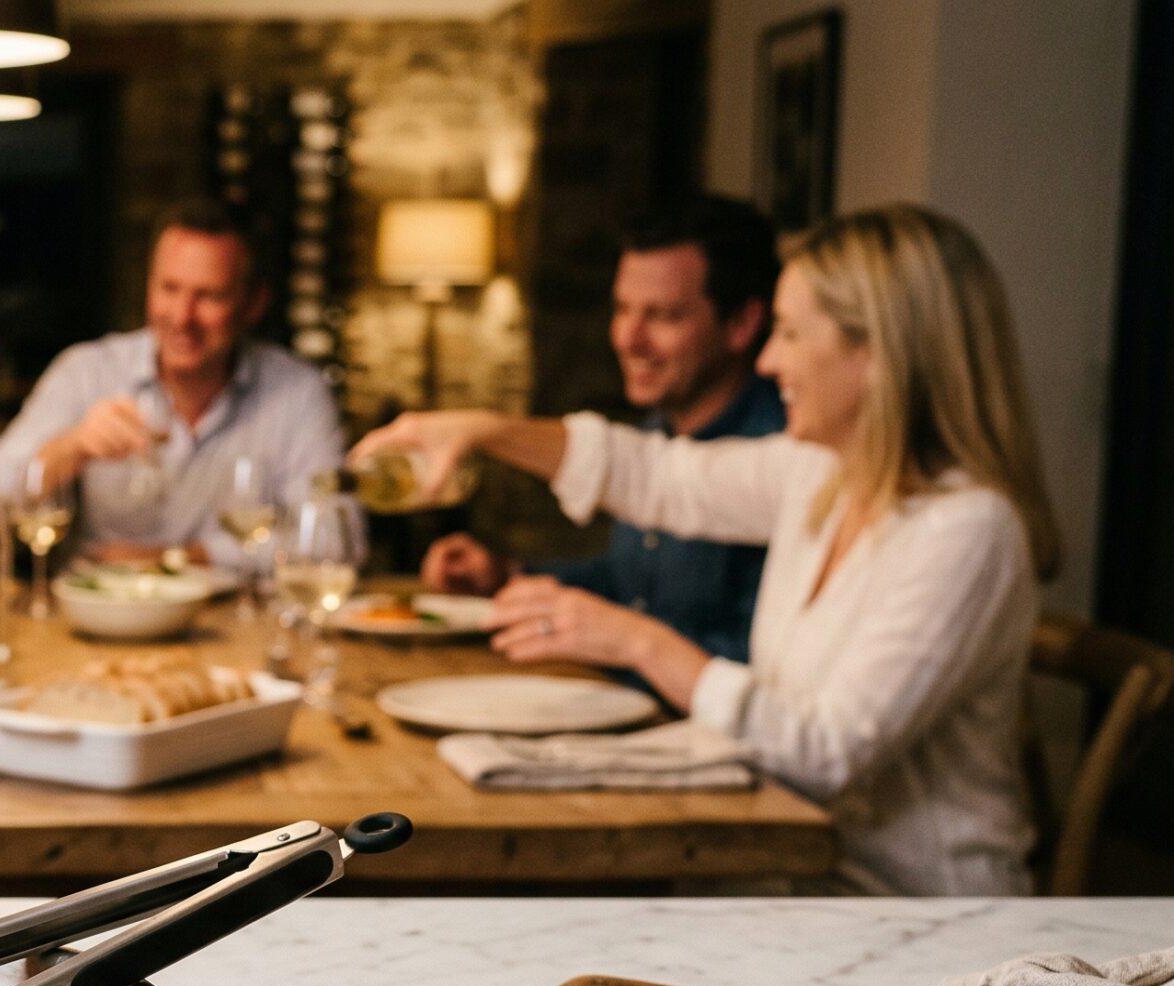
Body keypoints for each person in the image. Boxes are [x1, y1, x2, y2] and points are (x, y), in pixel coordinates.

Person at [353, 205, 1060, 896]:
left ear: (876, 354)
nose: (770, 356)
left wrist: (636, 641)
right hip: (777, 870)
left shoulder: (969, 529)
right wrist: (478, 428)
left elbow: (827, 753)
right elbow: (655, 474)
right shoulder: (823, 474)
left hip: (905, 909)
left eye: (787, 332)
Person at [424, 196, 783, 662]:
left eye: (663, 315)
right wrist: (509, 577)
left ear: (741, 324)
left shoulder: (780, 452)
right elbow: (631, 591)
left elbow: (762, 670)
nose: (628, 339)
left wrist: (624, 644)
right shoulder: (660, 426)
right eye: (622, 309)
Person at [0, 198, 349, 567]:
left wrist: (176, 559)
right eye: (169, 288)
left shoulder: (298, 393)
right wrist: (69, 448)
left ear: (253, 304)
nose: (182, 317)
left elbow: (335, 540)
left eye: (209, 296)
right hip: (100, 618)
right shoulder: (86, 371)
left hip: (234, 621)